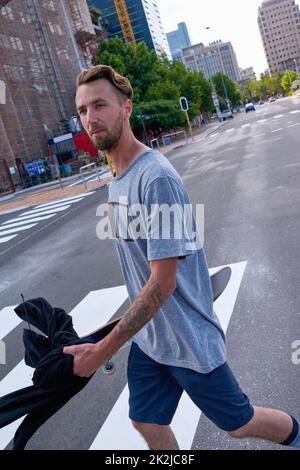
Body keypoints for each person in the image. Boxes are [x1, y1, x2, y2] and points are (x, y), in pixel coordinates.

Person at [63, 65, 300, 450]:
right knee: (145, 419)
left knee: (239, 423)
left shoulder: (154, 178)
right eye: (83, 110)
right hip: (152, 339)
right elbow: (141, 272)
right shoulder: (117, 182)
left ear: (126, 108)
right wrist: (113, 330)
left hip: (187, 340)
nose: (90, 118)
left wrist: (102, 351)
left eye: (100, 105)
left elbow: (163, 282)